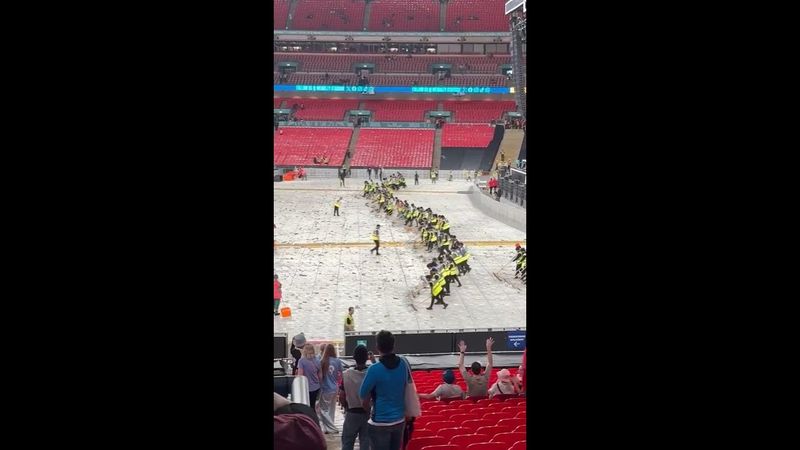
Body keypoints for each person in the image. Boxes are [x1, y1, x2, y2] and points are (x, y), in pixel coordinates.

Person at [359, 330, 408, 450]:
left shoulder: (374, 369)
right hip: (399, 421)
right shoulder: (403, 364)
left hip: (380, 422)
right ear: (393, 345)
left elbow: (362, 393)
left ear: (377, 347)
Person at [341, 345, 371, 450]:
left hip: (351, 412)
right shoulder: (371, 373)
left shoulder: (346, 374)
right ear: (367, 357)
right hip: (368, 414)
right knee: (366, 443)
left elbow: (342, 395)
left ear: (354, 357)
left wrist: (345, 407)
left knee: (347, 443)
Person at [319, 343, 344, 434]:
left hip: (325, 387)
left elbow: (320, 376)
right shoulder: (337, 361)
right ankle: (329, 427)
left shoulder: (323, 361)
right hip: (335, 387)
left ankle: (330, 427)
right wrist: (339, 382)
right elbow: (341, 373)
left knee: (323, 409)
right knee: (332, 409)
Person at [297, 343, 322, 410]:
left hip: (305, 388)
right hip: (316, 387)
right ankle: (314, 418)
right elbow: (320, 375)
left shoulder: (301, 361)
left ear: (304, 351)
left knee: (305, 406)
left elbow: (300, 375)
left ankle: (307, 419)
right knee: (313, 405)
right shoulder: (317, 360)